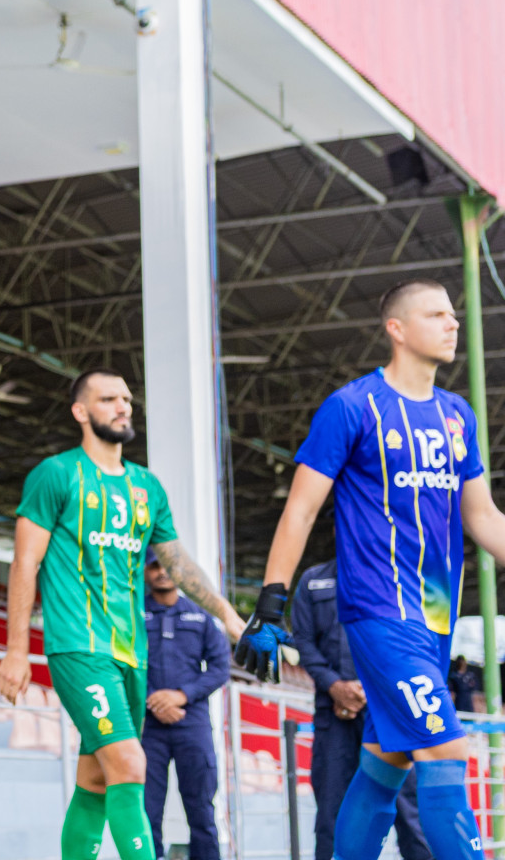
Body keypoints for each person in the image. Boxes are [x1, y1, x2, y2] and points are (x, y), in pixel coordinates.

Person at [237, 278, 505, 860]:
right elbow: (302, 508)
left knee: (386, 763)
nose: (453, 323)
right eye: (437, 314)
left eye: (454, 315)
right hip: (380, 613)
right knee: (447, 752)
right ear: (397, 330)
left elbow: (483, 516)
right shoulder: (352, 406)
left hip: (436, 618)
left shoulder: (457, 415)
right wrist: (271, 600)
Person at [0, 369, 245, 860]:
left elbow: (177, 562)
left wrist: (228, 615)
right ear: (81, 412)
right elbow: (26, 562)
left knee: (94, 780)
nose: (123, 406)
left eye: (127, 398)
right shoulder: (56, 474)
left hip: (132, 654)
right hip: (79, 649)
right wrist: (15, 651)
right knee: (131, 764)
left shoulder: (146, 487)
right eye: (108, 399)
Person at [292, 558, 431, 860]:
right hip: (333, 715)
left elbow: (416, 637)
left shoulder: (399, 573)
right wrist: (335, 687)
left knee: (408, 811)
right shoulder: (313, 580)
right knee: (333, 811)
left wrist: (369, 690)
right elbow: (302, 640)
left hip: (390, 712)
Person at [139, 550, 230, 860]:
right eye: (154, 565)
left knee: (202, 811)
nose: (162, 571)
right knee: (146, 809)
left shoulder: (202, 615)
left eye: (167, 565)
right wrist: (154, 699)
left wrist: (180, 695)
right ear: (145, 571)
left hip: (192, 724)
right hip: (147, 726)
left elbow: (220, 668)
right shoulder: (133, 614)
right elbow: (125, 662)